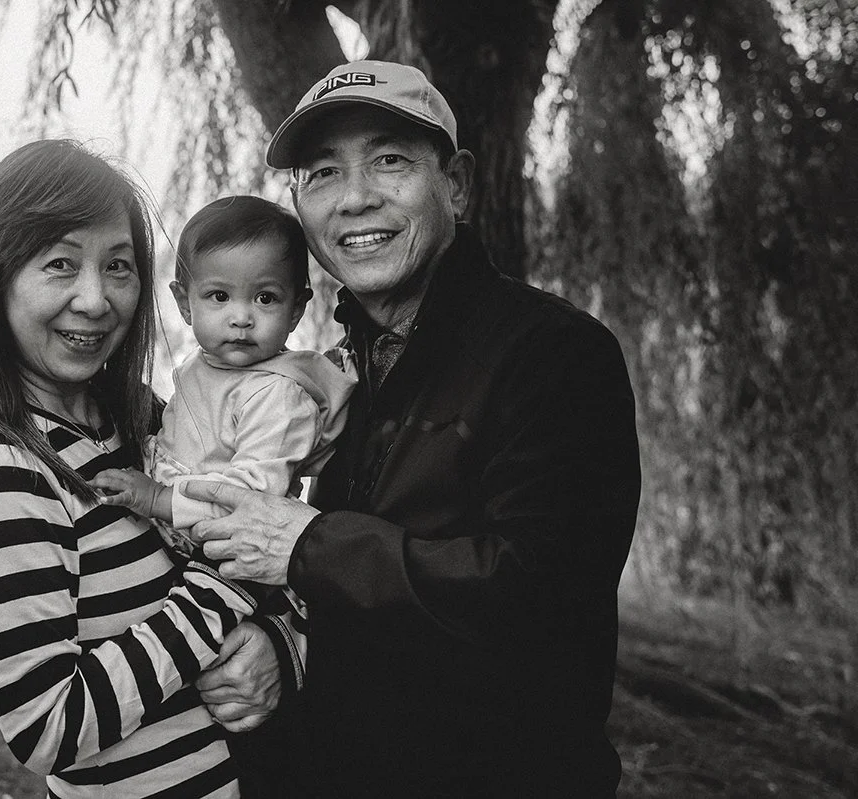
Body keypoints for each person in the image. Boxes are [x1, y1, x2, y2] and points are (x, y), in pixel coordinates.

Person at [180, 60, 642, 797]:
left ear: (454, 183)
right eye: (323, 173)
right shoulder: (328, 377)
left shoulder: (553, 354)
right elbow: (337, 602)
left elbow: (538, 598)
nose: (355, 198)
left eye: (388, 160)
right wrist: (279, 642)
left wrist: (308, 543)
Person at [0, 139, 267, 798]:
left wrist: (278, 642)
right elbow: (47, 728)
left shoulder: (137, 418)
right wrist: (219, 595)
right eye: (59, 264)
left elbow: (251, 532)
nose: (96, 298)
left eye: (118, 265)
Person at [90, 194, 356, 600]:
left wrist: (159, 498)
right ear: (184, 304)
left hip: (233, 569)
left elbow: (252, 504)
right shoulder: (204, 366)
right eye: (219, 296)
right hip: (181, 544)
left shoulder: (279, 397)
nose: (241, 317)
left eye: (265, 298)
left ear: (297, 309)